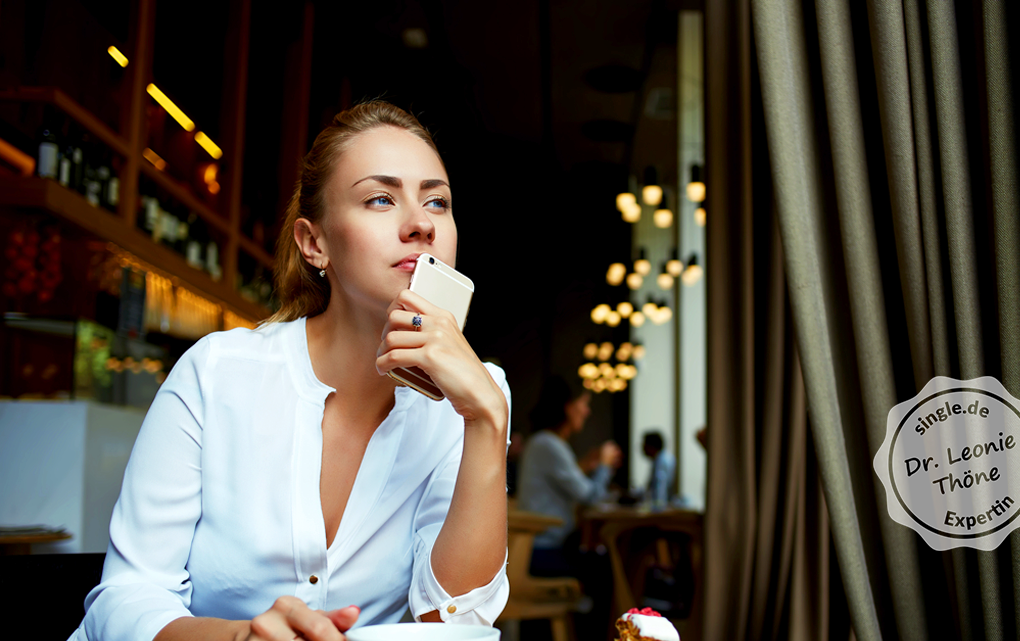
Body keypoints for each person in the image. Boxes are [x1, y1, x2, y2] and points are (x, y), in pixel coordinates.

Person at [69, 101, 511, 641]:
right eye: (380, 198)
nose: (421, 224)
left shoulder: (474, 398)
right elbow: (126, 598)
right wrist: (241, 640)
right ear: (314, 242)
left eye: (437, 202)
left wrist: (486, 417)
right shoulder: (217, 374)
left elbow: (455, 623)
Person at [515, 376, 621, 640]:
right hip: (541, 552)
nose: (586, 411)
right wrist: (606, 464)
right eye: (583, 404)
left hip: (536, 549)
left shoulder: (544, 442)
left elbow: (567, 483)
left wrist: (586, 465)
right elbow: (590, 496)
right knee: (604, 567)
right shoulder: (549, 445)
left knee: (598, 562)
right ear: (566, 406)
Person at [641, 431, 676, 508]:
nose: (642, 448)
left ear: (651, 446)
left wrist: (656, 509)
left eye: (644, 444)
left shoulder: (662, 462)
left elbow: (660, 490)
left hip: (661, 509)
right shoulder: (660, 459)